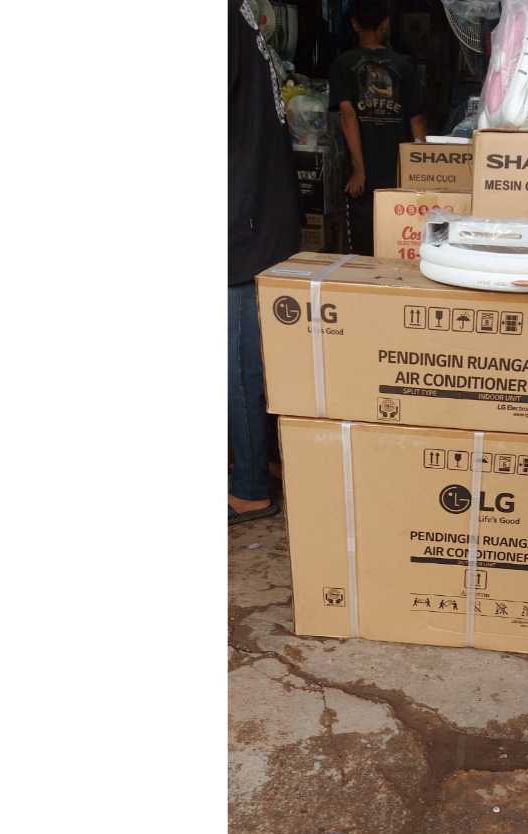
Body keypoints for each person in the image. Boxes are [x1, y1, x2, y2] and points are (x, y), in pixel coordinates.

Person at [228, 0, 301, 525]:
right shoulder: (239, 17)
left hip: (240, 221)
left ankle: (251, 487)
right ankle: (268, 461)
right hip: (260, 212)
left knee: (238, 367)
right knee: (261, 358)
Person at [329, 0, 427, 256]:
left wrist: (359, 169)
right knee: (399, 246)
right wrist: (421, 172)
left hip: (363, 179)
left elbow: (348, 115)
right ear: (385, 25)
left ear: (354, 24)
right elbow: (416, 120)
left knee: (363, 252)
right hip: (399, 175)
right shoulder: (404, 65)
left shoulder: (343, 63)